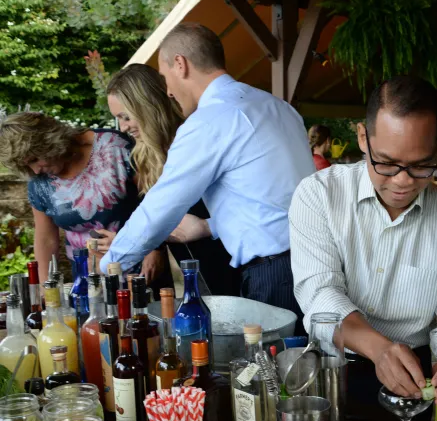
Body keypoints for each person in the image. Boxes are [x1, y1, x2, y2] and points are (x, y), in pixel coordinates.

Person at [290, 75, 437, 415]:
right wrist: (380, 349)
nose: (403, 181)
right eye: (387, 163)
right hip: (333, 365)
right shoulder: (319, 195)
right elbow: (319, 293)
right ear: (363, 137)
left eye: (422, 165)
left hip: (413, 373)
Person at [100, 23, 315, 319]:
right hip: (313, 262)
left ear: (180, 64)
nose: (168, 92)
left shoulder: (210, 121)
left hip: (273, 273)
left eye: (165, 78)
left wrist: (109, 265)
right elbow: (270, 202)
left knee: (270, 365)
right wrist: (207, 227)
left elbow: (160, 209)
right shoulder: (277, 106)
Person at [103, 63, 241, 296]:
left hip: (233, 262)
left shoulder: (197, 136)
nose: (123, 127)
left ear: (147, 107)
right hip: (196, 274)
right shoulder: (145, 155)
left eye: (125, 117)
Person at [0, 112, 165, 284]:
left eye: (35, 159)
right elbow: (46, 238)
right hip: (87, 280)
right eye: (27, 165)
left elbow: (155, 200)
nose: (35, 170)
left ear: (47, 141)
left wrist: (155, 249)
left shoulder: (115, 147)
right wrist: (44, 289)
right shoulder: (39, 182)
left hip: (140, 271)